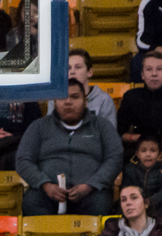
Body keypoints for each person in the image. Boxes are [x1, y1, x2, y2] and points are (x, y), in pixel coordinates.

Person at [16, 79, 123, 217]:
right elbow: (23, 160)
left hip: (90, 193)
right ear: (54, 102)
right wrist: (45, 184)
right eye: (62, 97)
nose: (68, 102)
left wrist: (90, 185)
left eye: (75, 97)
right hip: (47, 193)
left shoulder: (102, 126)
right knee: (31, 202)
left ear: (85, 101)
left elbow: (115, 158)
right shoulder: (38, 126)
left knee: (101, 203)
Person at [121, 136, 162, 225]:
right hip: (136, 204)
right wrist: (139, 203)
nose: (148, 154)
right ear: (137, 154)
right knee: (123, 206)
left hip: (159, 205)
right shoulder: (130, 169)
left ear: (160, 154)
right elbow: (127, 189)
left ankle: (158, 234)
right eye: (143, 151)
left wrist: (149, 202)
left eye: (153, 151)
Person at [49, 49, 116, 127]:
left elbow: (109, 135)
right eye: (68, 68)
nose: (72, 72)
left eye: (78, 67)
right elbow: (50, 132)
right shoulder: (56, 98)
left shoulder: (104, 100)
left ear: (89, 72)